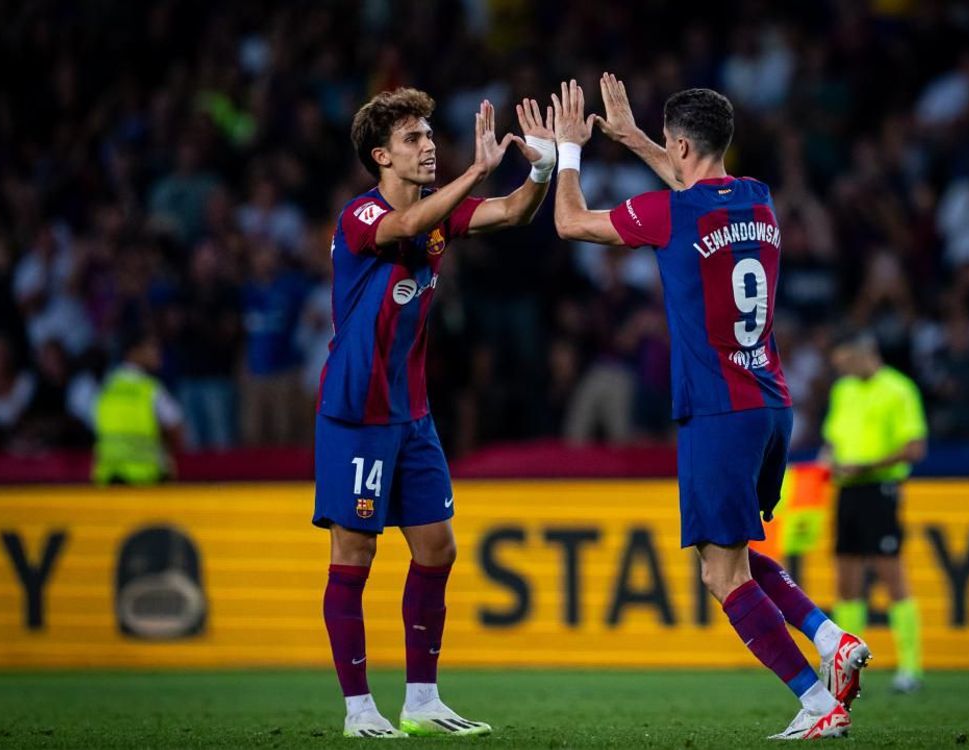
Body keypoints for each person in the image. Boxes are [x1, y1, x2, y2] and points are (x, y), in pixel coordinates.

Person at [550, 74, 868, 741]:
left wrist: (569, 150)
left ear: (679, 145)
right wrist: (636, 137)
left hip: (718, 411)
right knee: (738, 556)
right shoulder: (758, 198)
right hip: (771, 405)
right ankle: (830, 637)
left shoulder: (670, 214)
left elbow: (570, 222)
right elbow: (691, 183)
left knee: (720, 574)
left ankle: (817, 701)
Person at [314, 88, 556, 739]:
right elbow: (404, 227)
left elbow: (513, 211)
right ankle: (358, 710)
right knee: (355, 552)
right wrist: (475, 171)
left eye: (427, 135)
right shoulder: (361, 215)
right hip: (356, 411)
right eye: (413, 139)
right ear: (380, 155)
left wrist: (542, 167)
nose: (427, 146)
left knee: (437, 547)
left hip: (411, 413)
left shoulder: (439, 214)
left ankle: (422, 700)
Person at [820, 331, 928, 693]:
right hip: (846, 491)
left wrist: (865, 466)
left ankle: (910, 667)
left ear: (866, 353)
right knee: (846, 580)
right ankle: (850, 669)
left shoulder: (898, 389)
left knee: (890, 574)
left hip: (880, 489)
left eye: (846, 362)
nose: (843, 370)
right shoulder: (843, 390)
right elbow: (832, 440)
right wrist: (827, 461)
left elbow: (914, 447)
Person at [91, 331, 184, 485]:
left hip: (110, 481)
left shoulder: (105, 389)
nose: (158, 353)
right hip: (148, 479)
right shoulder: (151, 389)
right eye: (152, 347)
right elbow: (177, 431)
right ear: (134, 352)